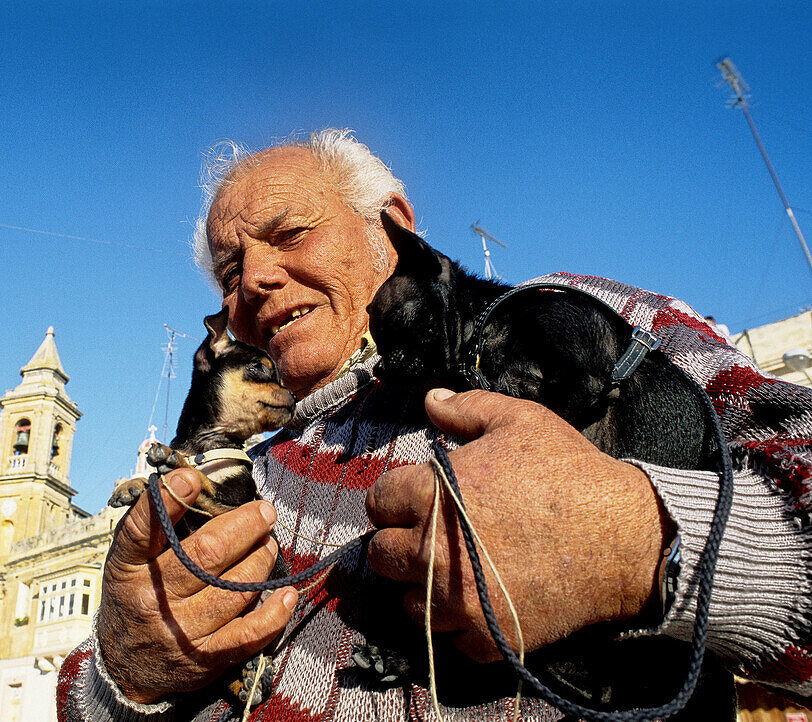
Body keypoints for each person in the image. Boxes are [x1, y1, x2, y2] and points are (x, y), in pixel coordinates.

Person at [58, 129, 812, 721]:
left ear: (391, 225)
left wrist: (635, 544)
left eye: (290, 235)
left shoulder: (571, 321)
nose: (252, 279)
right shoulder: (233, 486)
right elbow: (103, 699)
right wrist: (123, 683)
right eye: (230, 273)